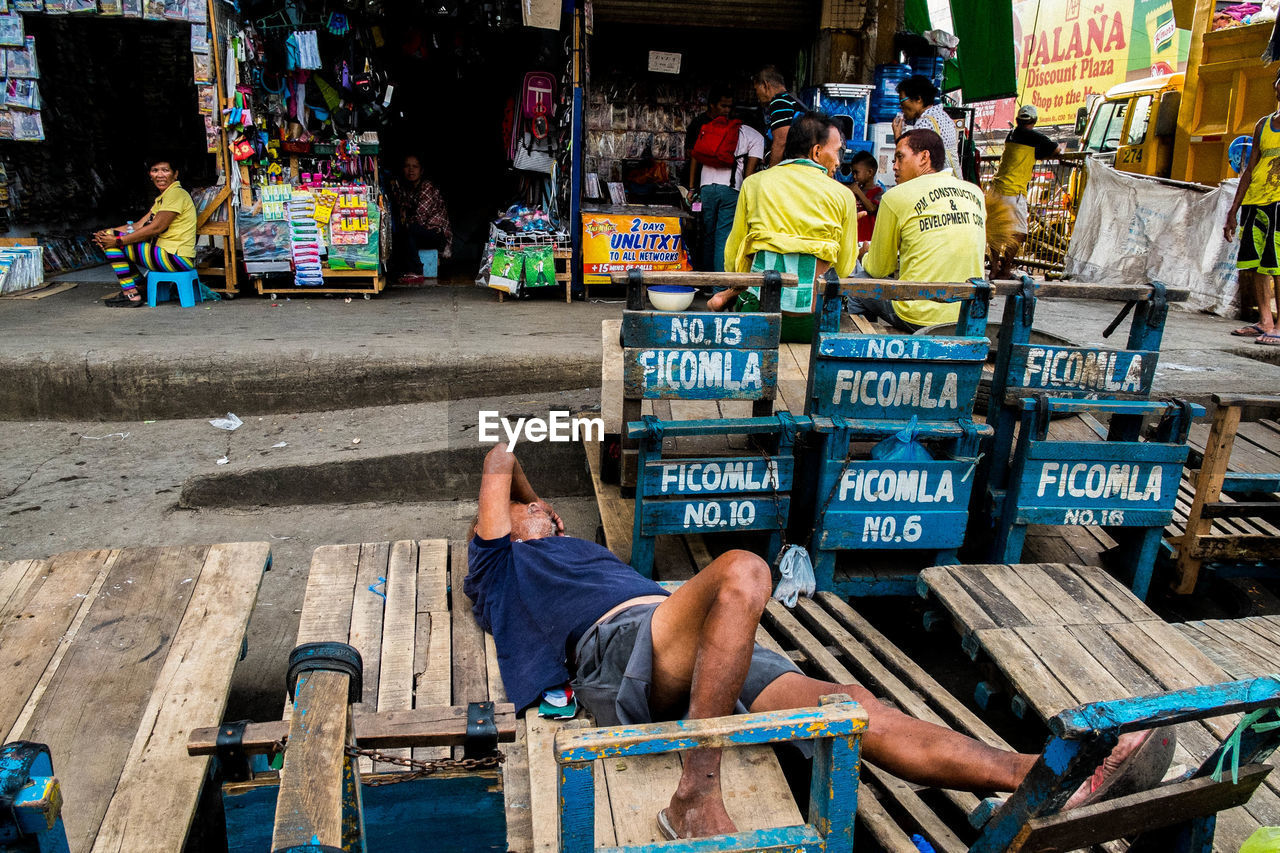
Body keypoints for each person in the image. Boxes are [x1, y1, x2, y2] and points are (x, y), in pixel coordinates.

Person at [466, 444, 1177, 840]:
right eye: (535, 515)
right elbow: (499, 457)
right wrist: (526, 503)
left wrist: (547, 515)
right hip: (617, 653)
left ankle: (1041, 774)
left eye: (553, 515)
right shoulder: (498, 565)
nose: (549, 517)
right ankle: (694, 790)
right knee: (745, 570)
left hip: (693, 636)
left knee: (850, 704)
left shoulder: (582, 549)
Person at [709, 112, 858, 343]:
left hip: (758, 319)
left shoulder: (753, 184)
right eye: (837, 151)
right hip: (814, 324)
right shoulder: (843, 196)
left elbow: (732, 258)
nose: (838, 161)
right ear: (817, 152)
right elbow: (846, 266)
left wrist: (734, 288)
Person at [852, 128, 986, 332]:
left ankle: (861, 351)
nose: (894, 166)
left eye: (899, 157)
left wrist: (865, 255)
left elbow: (879, 269)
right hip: (967, 314)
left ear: (924, 157)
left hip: (917, 315)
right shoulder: (975, 193)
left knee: (857, 286)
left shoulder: (895, 197)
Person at [93, 157, 197, 308]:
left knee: (114, 244)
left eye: (165, 170)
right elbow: (137, 226)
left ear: (175, 174)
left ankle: (131, 294)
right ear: (150, 174)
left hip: (176, 257)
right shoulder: (163, 198)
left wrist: (117, 240)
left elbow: (156, 228)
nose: (160, 175)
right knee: (109, 238)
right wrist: (105, 233)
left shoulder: (176, 194)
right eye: (155, 171)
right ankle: (141, 286)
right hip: (170, 256)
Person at [1225, 67, 1280, 346]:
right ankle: (1265, 321)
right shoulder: (1264, 125)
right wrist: (1233, 209)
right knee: (1256, 264)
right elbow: (1250, 168)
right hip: (1256, 199)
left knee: (1278, 264)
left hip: (1279, 203)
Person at [689, 88, 764, 273]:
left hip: (705, 188)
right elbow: (749, 174)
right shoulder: (755, 136)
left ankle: (704, 282)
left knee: (707, 235)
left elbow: (695, 157)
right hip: (730, 190)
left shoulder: (712, 128)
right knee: (723, 236)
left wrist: (692, 187)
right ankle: (718, 286)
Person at [988, 104, 1063, 279]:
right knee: (1019, 231)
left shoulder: (1013, 134)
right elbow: (1057, 149)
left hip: (997, 188)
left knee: (996, 230)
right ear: (1034, 121)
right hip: (1012, 191)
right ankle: (1005, 269)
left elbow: (1034, 153)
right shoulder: (1031, 135)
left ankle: (993, 268)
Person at [389, 154, 453, 283]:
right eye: (407, 166)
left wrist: (406, 222)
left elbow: (419, 218)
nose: (411, 170)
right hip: (421, 232)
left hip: (436, 234)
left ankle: (417, 271)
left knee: (409, 230)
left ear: (421, 170)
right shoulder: (408, 189)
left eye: (415, 166)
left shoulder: (426, 187)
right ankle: (399, 271)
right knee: (401, 233)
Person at [892, 75, 960, 175]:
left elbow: (910, 159)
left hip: (937, 183)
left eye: (902, 100)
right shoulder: (943, 116)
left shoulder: (925, 123)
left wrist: (897, 136)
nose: (900, 106)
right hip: (952, 179)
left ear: (918, 99)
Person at [753, 66, 805, 168]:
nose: (756, 95)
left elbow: (780, 142)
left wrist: (771, 174)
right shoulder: (790, 100)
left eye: (756, 89)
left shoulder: (780, 101)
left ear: (765, 85)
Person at [849, 150, 884, 243]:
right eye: (853, 173)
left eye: (857, 172)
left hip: (869, 240)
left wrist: (858, 192)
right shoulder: (855, 191)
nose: (854, 176)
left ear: (870, 172)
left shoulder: (878, 192)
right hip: (854, 238)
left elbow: (872, 209)